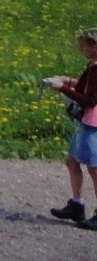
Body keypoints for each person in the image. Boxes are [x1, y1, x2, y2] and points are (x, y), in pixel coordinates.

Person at [45, 30, 97, 226]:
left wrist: (62, 88)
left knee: (94, 168)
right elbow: (86, 87)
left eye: (83, 46)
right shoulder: (92, 66)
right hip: (87, 123)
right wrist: (67, 80)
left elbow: (90, 99)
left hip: (93, 124)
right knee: (72, 161)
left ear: (94, 47)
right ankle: (76, 206)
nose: (80, 49)